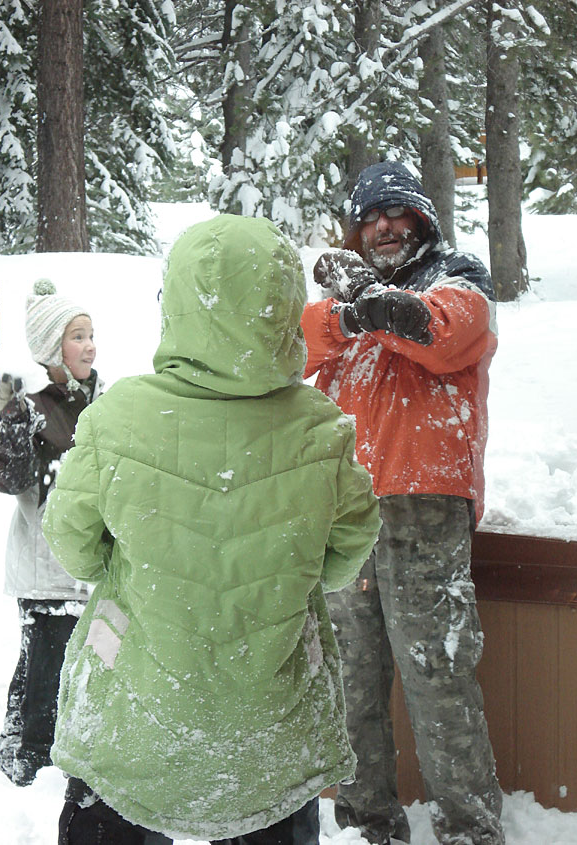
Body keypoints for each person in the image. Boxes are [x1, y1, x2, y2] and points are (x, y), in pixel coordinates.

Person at [41, 214, 381, 845]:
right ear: (284, 306)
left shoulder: (118, 417)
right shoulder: (322, 429)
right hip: (270, 731)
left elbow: (73, 545)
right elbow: (344, 555)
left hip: (134, 718)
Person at [301, 161, 504, 845]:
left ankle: (469, 830)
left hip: (423, 508)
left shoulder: (459, 278)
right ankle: (367, 823)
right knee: (352, 675)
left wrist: (363, 300)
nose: (384, 226)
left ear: (424, 219)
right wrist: (346, 311)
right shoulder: (345, 310)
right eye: (369, 217)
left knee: (437, 676)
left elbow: (438, 335)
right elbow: (293, 347)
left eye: (398, 212)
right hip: (346, 509)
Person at [0, 279, 101, 787]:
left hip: (85, 567)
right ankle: (31, 766)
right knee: (47, 677)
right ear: (53, 349)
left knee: (46, 670)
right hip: (45, 572)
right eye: (77, 336)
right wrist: (11, 419)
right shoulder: (34, 408)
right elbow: (8, 478)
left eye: (92, 334)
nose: (90, 345)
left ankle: (16, 755)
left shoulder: (102, 399)